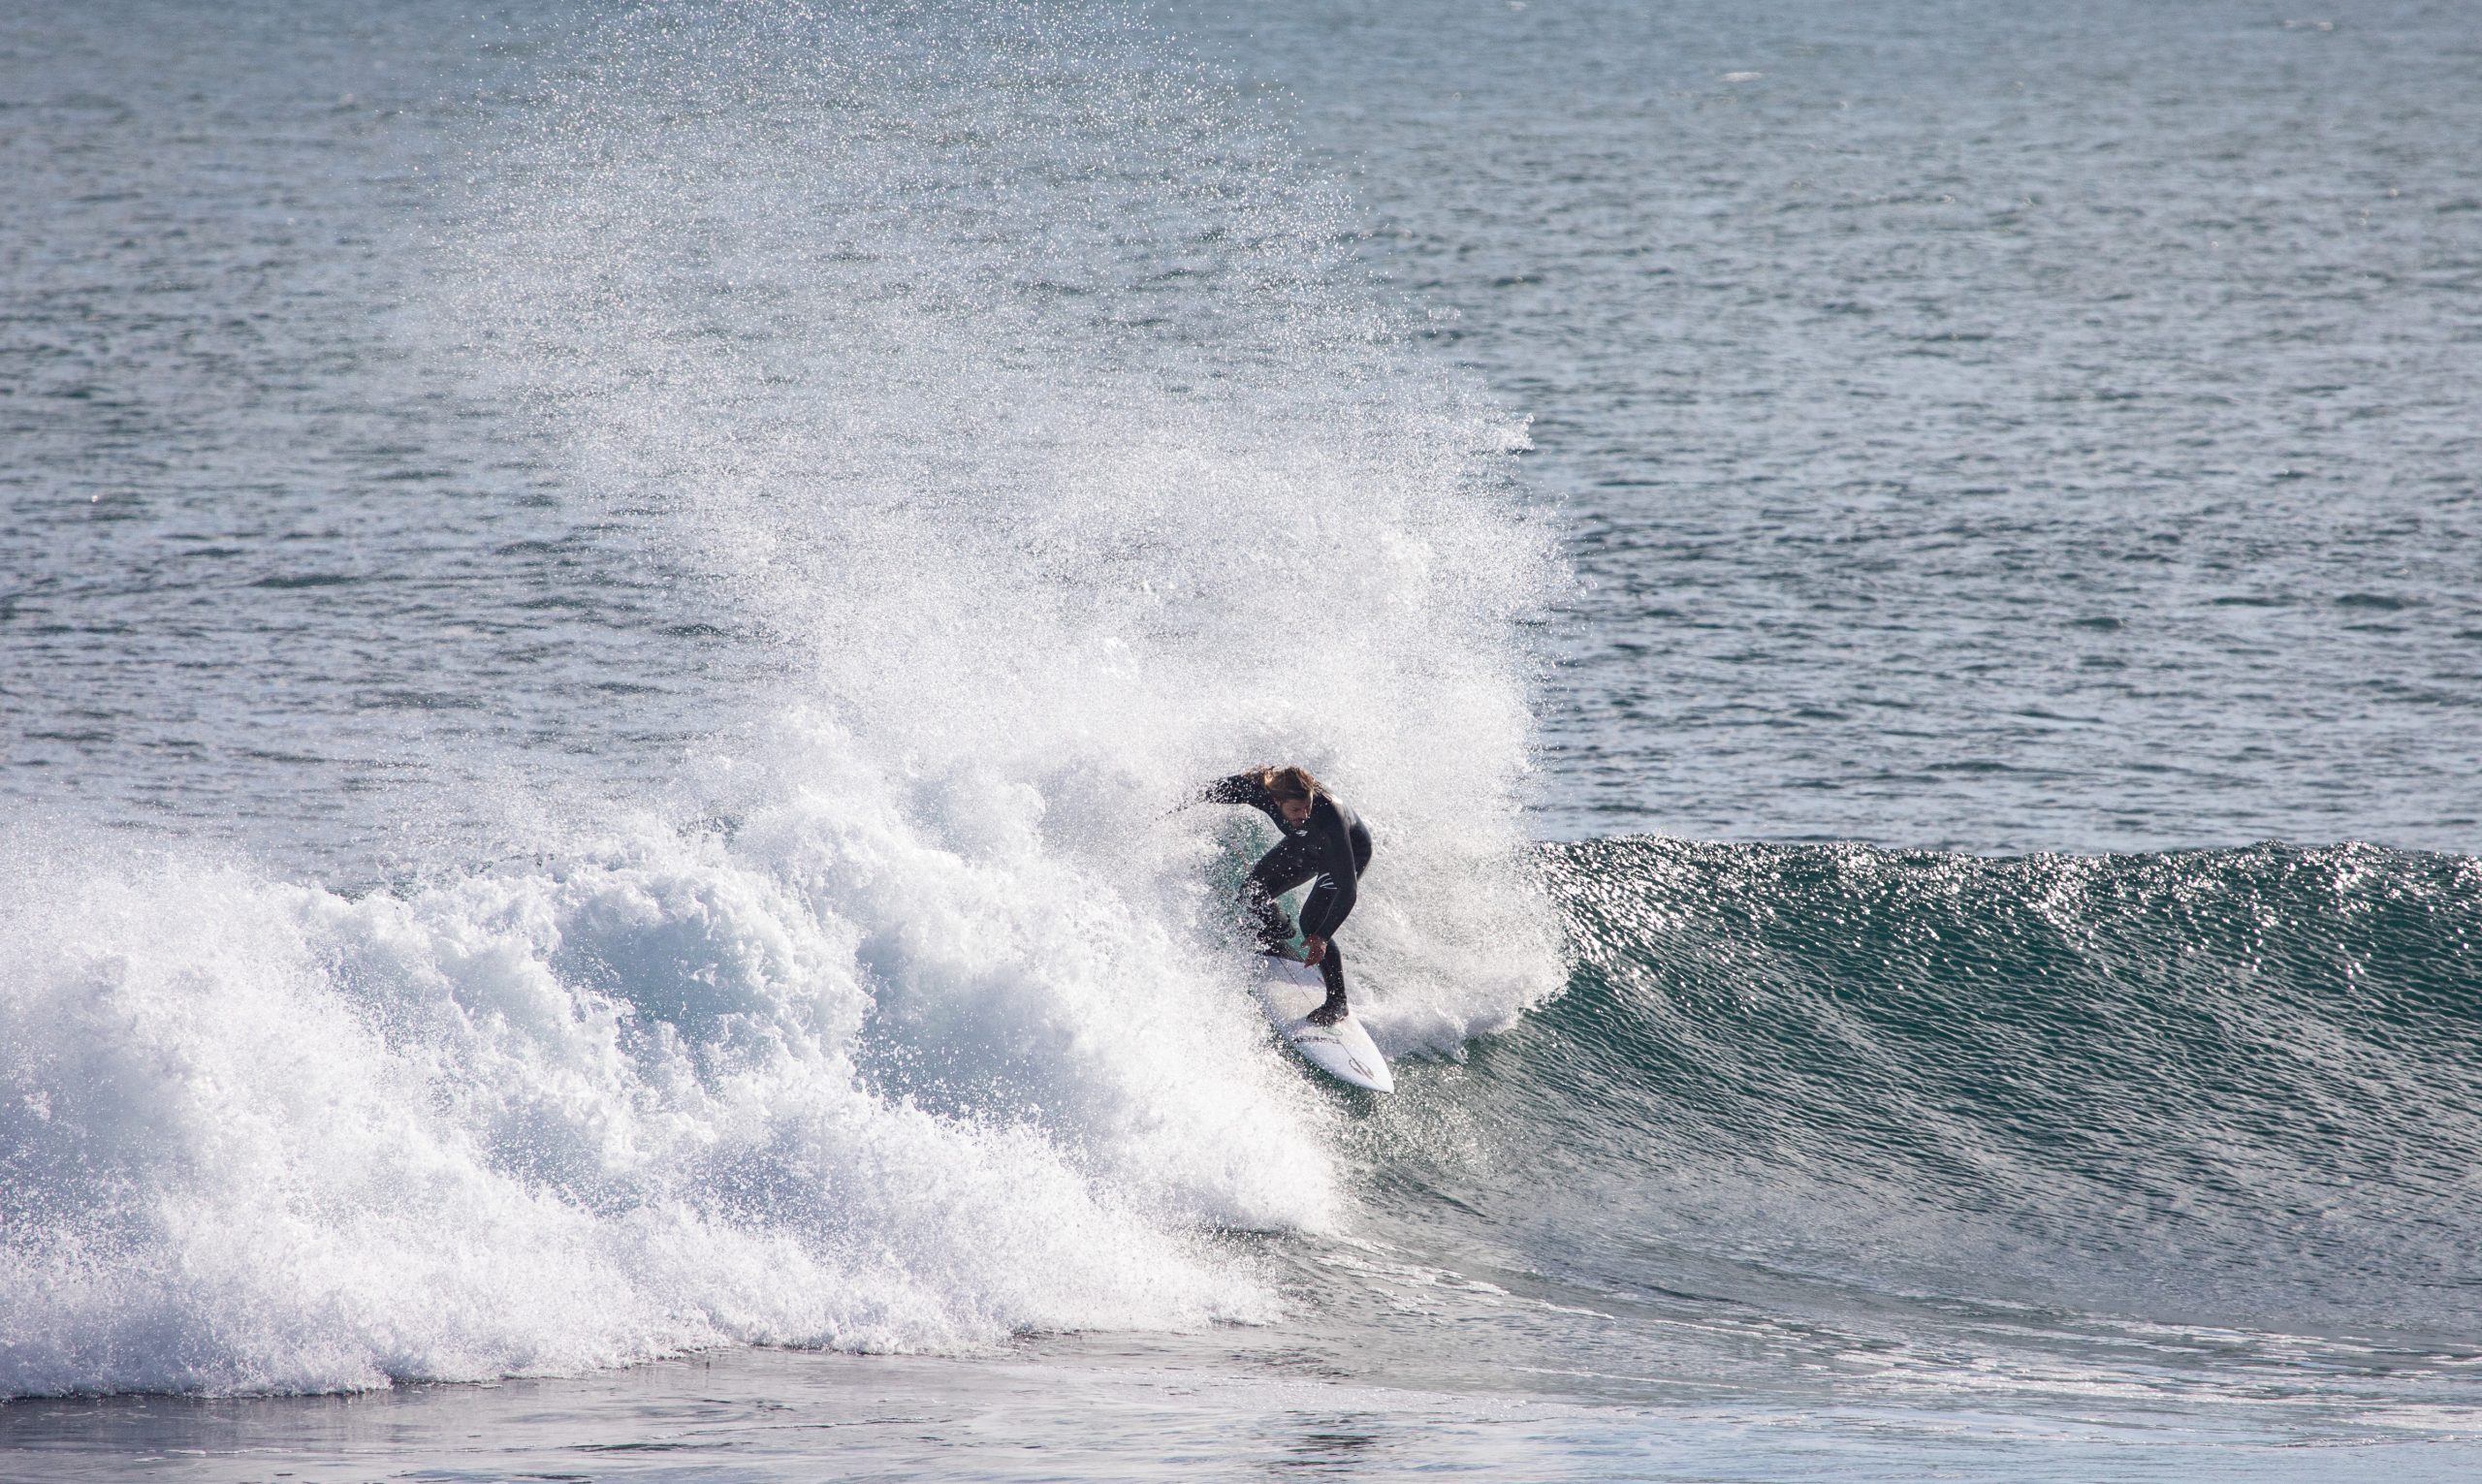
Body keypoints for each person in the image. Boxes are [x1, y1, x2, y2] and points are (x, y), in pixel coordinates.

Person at [1196, 765, 1373, 1025]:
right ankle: (1278, 938)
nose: (1303, 814)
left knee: (1311, 923)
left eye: (1307, 807)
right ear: (1276, 801)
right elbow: (1213, 791)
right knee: (1252, 893)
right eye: (1295, 810)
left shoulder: (1328, 816)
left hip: (1346, 853)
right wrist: (1173, 805)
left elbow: (1348, 889)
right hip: (1306, 844)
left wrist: (1322, 938)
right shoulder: (1260, 791)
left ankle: (1338, 1002)